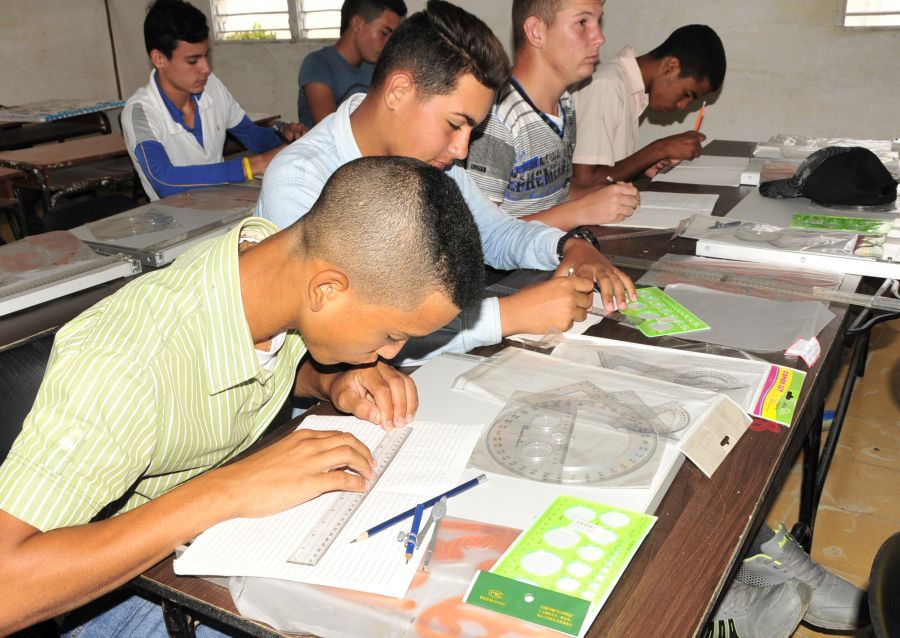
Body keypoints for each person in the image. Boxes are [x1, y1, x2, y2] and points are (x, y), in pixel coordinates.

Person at [0, 156, 486, 635]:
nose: (392, 352)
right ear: (327, 290)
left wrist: (326, 380)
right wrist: (228, 490)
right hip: (122, 593)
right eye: (390, 333)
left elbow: (243, 368)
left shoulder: (271, 273)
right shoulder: (124, 364)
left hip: (212, 544)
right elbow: (8, 590)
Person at [260, 0, 635, 364]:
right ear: (399, 92)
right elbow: (352, 331)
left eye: (473, 129)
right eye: (455, 124)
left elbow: (492, 233)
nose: (460, 149)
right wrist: (508, 316)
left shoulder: (431, 159)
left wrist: (568, 246)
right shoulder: (301, 180)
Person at [464, 0, 640, 230]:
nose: (599, 37)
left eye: (598, 22)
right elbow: (483, 234)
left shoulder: (565, 103)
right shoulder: (497, 116)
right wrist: (582, 210)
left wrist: (601, 195)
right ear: (536, 32)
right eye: (582, 22)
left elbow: (554, 193)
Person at [122, 0, 307, 201]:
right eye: (193, 61)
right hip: (176, 220)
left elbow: (251, 135)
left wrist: (283, 135)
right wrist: (252, 165)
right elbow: (166, 182)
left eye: (206, 56)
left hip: (220, 205)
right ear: (159, 59)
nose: (206, 69)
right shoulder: (139, 113)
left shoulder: (212, 87)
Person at [571, 24, 726, 186]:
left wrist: (645, 167)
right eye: (687, 94)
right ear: (671, 66)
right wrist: (660, 148)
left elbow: (607, 172)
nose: (683, 105)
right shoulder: (606, 86)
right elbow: (585, 181)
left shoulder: (632, 91)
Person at [298, 0, 407, 128]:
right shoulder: (317, 64)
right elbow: (330, 130)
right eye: (384, 33)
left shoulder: (375, 67)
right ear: (357, 24)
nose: (389, 44)